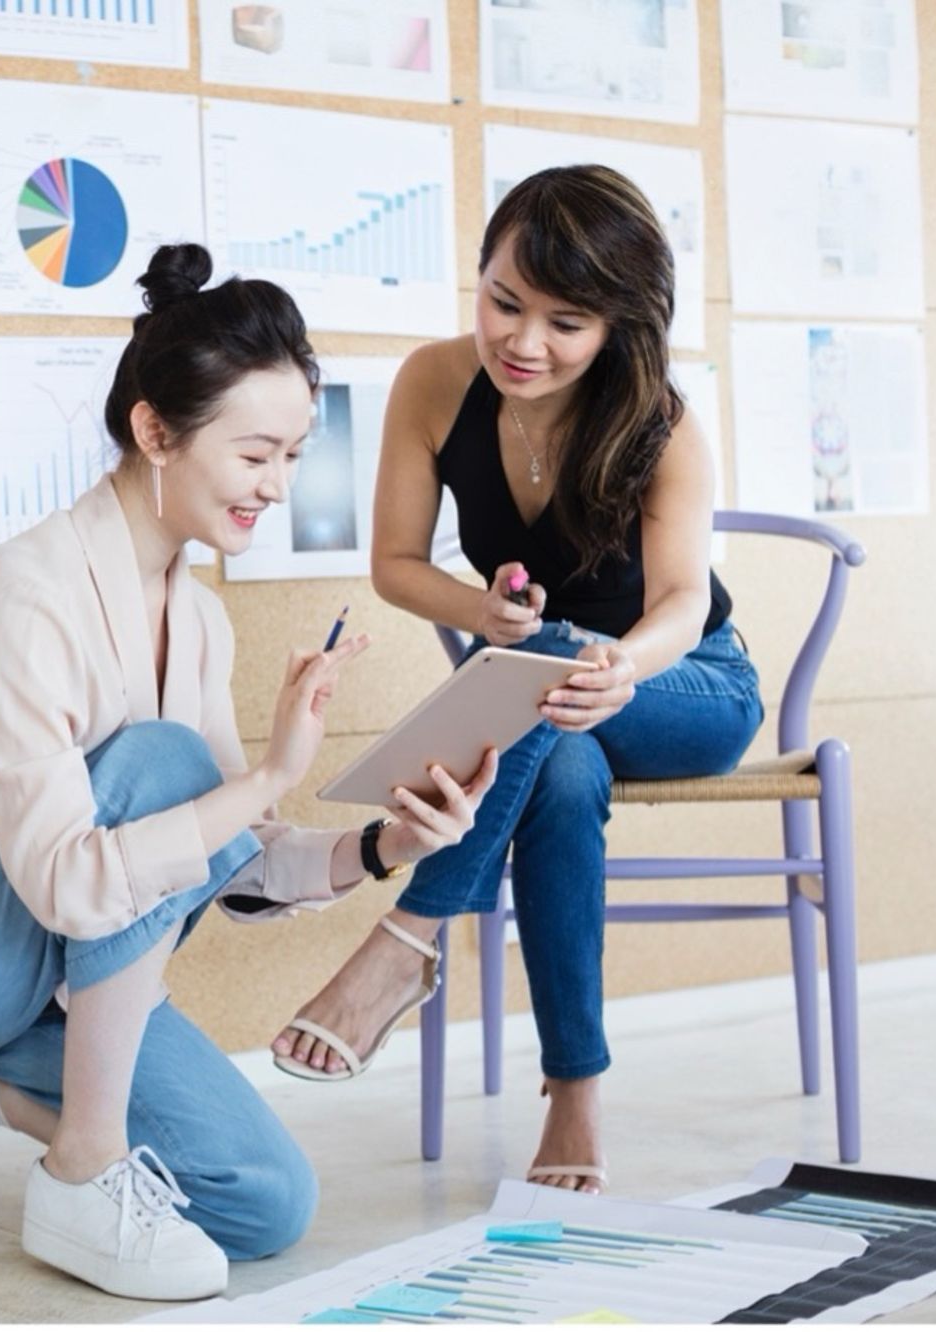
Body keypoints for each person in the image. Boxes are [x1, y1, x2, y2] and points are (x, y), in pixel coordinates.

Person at [0, 244, 496, 1301]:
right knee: (168, 762)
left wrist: (381, 844)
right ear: (154, 432)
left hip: (51, 965)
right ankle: (80, 1169)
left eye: (295, 455)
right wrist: (264, 776)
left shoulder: (196, 616)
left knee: (264, 1202)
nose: (276, 484)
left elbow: (215, 853)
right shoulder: (28, 595)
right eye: (255, 452)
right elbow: (76, 880)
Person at [271, 166, 766, 1195]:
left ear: (616, 327)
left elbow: (678, 600)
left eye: (564, 322)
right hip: (551, 713)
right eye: (503, 301)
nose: (522, 342)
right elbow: (396, 565)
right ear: (480, 276)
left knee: (551, 673)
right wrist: (482, 616)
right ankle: (575, 1096)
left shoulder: (660, 425)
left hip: (686, 690)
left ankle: (406, 937)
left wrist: (617, 662)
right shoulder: (430, 383)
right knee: (561, 773)